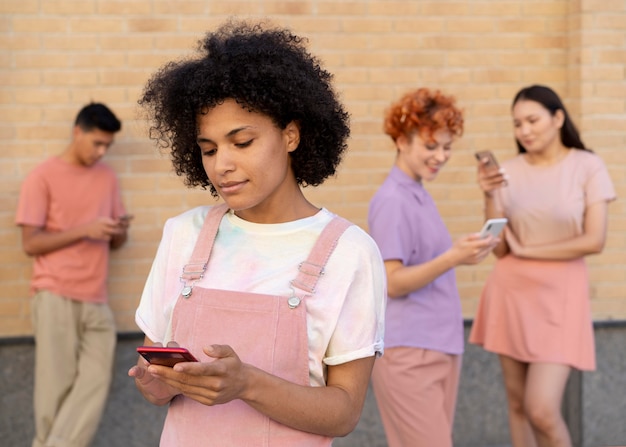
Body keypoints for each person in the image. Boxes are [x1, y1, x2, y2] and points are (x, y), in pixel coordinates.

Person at [127, 21, 386, 446]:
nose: (220, 165)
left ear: (290, 135)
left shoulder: (349, 251)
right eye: (208, 149)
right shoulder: (183, 235)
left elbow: (343, 412)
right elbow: (156, 377)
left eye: (241, 142)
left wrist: (246, 383)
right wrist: (158, 384)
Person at [469, 84, 616, 447]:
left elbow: (594, 240)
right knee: (518, 406)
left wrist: (529, 250)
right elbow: (501, 249)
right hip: (511, 294)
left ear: (558, 118)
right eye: (517, 124)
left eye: (532, 120)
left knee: (542, 409)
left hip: (562, 299)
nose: (524, 131)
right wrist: (490, 195)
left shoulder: (587, 165)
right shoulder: (508, 171)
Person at [367, 88, 499, 447]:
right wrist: (453, 257)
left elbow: (493, 246)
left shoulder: (418, 193)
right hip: (410, 351)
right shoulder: (393, 200)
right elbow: (392, 282)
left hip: (438, 345)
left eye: (446, 146)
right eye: (430, 146)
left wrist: (489, 194)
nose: (440, 156)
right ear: (400, 140)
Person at [15, 102, 130, 447]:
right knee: (55, 387)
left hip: (96, 296)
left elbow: (117, 243)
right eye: (97, 143)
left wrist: (117, 230)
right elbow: (31, 243)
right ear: (77, 132)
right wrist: (86, 229)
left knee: (96, 380)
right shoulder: (42, 176)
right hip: (55, 293)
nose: (102, 152)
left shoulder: (107, 176)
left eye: (107, 146)